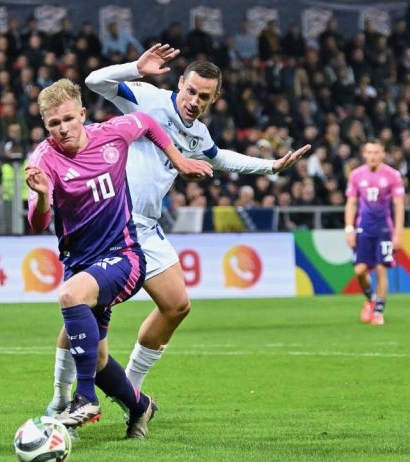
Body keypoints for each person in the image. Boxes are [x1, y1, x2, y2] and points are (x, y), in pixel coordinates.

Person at [43, 45, 311, 420]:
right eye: (190, 91)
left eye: (204, 96)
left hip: (147, 229)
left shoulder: (198, 133)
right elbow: (94, 81)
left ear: (213, 98)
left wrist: (271, 167)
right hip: (110, 224)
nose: (194, 100)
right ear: (180, 83)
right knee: (81, 308)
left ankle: (130, 391)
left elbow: (219, 158)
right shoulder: (149, 99)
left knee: (177, 306)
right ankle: (62, 396)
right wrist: (136, 67)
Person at [26, 78, 212, 438]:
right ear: (46, 126)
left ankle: (82, 399)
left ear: (82, 114)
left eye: (68, 119)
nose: (62, 129)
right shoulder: (43, 160)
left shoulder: (112, 132)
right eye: (53, 124)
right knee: (93, 358)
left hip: (124, 255)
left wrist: (180, 160)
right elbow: (38, 224)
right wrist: (45, 196)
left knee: (70, 297)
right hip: (82, 264)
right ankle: (140, 407)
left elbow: (147, 123)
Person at [344, 140, 405, 326]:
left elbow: (399, 205)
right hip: (363, 229)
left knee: (380, 269)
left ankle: (378, 311)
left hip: (384, 230)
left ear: (382, 154)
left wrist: (398, 234)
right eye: (369, 152)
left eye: (376, 152)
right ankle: (370, 299)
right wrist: (349, 228)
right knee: (360, 270)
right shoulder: (356, 175)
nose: (372, 156)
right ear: (364, 154)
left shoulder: (393, 175)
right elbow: (352, 203)